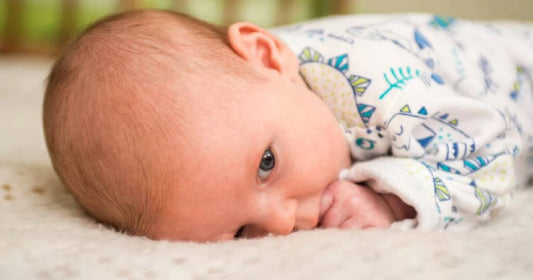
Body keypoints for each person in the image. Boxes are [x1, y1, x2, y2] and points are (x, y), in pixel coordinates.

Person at [42, 10, 533, 242]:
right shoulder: (257, 99)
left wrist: (392, 195)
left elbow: (492, 155)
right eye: (241, 232)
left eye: (267, 164)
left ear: (267, 55)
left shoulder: (382, 85)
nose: (279, 223)